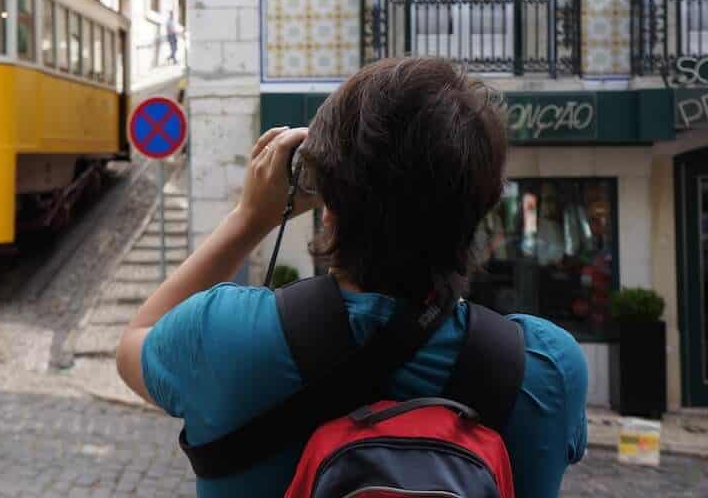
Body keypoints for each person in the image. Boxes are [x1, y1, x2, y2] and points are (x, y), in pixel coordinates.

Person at [117, 58, 588, 498]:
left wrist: (251, 218)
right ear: (484, 208)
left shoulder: (221, 334)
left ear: (330, 209)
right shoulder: (547, 367)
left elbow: (134, 342)